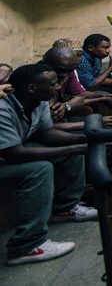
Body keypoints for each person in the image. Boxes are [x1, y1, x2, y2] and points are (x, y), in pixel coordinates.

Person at [0, 64, 97, 266]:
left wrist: (82, 140)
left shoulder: (38, 100)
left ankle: (65, 208)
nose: (59, 88)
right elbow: (14, 153)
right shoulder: (3, 108)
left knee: (71, 149)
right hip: (8, 155)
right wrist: (72, 149)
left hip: (14, 151)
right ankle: (26, 246)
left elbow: (47, 133)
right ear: (31, 88)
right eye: (52, 84)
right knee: (39, 169)